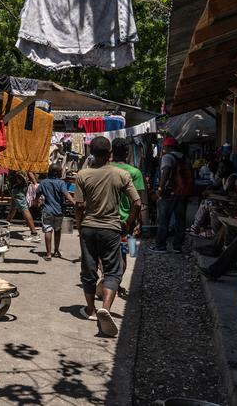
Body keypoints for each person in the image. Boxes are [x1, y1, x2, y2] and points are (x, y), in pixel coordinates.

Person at [75, 137, 141, 337]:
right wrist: (129, 222)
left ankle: (90, 310)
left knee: (89, 269)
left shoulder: (82, 175)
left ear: (91, 152)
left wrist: (80, 226)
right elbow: (137, 203)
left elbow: (78, 206)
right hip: (111, 229)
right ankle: (105, 308)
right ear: (110, 153)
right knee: (113, 270)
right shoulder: (121, 174)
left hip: (88, 228)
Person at [150, 137, 191, 253]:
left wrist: (160, 189)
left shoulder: (168, 157)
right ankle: (177, 246)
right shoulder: (184, 157)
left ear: (166, 147)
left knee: (163, 219)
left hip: (170, 192)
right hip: (183, 192)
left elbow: (166, 172)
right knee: (180, 219)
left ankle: (160, 246)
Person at [111, 138, 146, 260]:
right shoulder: (135, 172)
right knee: (123, 256)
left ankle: (107, 276)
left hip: (106, 221)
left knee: (107, 255)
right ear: (127, 152)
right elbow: (138, 203)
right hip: (126, 222)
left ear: (112, 152)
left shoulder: (102, 170)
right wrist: (134, 222)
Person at [36, 163, 75, 261]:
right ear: (58, 173)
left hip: (47, 211)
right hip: (58, 211)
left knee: (48, 230)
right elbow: (66, 194)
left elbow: (37, 193)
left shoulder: (44, 182)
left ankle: (48, 254)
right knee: (57, 231)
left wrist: (37, 201)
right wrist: (74, 202)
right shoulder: (61, 183)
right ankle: (56, 250)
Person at [7, 170, 40, 242]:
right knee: (13, 207)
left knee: (24, 209)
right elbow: (29, 172)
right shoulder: (23, 161)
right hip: (20, 187)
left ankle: (34, 233)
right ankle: (5, 226)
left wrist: (35, 184)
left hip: (17, 188)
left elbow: (29, 172)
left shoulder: (16, 163)